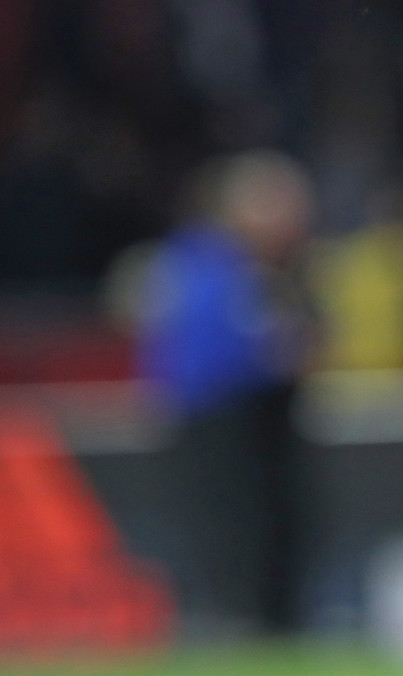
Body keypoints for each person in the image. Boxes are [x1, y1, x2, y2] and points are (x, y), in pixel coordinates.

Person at [136, 150, 319, 637]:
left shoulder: (219, 264)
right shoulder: (214, 265)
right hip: (223, 420)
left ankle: (257, 620)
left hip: (235, 418)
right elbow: (220, 353)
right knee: (234, 529)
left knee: (253, 528)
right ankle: (239, 621)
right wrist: (279, 352)